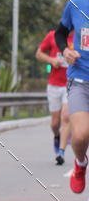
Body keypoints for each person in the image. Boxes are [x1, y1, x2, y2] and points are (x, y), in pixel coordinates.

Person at [55, 0, 89, 201]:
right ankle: (80, 162)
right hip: (80, 80)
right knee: (80, 136)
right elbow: (60, 33)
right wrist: (65, 51)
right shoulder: (76, 3)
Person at [35, 29, 72, 164]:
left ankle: (61, 152)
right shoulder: (52, 35)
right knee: (55, 123)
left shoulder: (79, 37)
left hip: (71, 84)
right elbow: (38, 54)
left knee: (66, 117)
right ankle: (57, 136)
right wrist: (51, 60)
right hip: (54, 85)